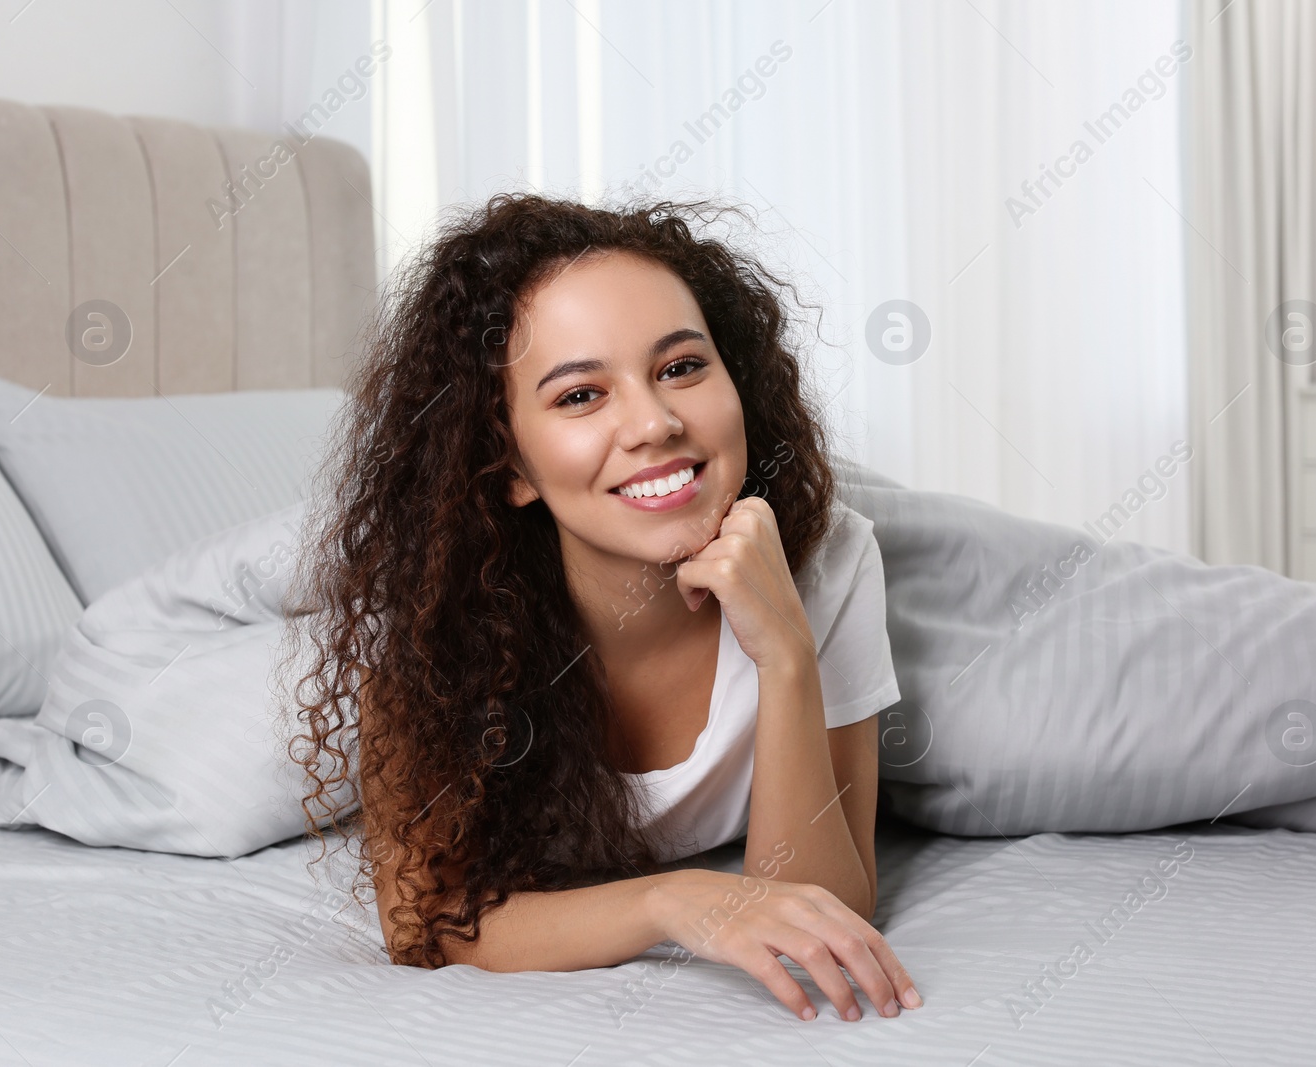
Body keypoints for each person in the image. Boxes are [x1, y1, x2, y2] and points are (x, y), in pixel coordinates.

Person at [286, 192, 924, 1024]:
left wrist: (788, 656)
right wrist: (675, 903)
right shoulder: (432, 607)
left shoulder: (829, 559)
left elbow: (820, 907)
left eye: (682, 367)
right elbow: (424, 918)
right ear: (507, 463)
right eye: (581, 396)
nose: (655, 422)